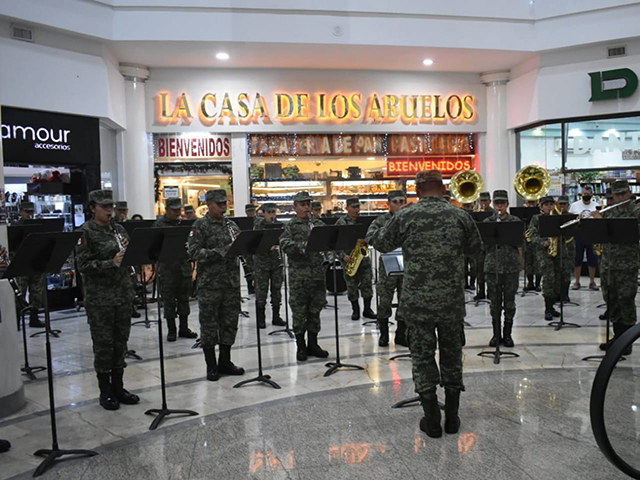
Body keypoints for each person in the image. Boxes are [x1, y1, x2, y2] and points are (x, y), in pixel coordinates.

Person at [371, 170, 482, 439]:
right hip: (451, 302)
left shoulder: (406, 215)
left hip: (417, 303)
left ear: (418, 190)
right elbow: (476, 249)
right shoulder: (460, 215)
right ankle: (452, 417)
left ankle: (432, 419)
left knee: (422, 357)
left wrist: (374, 229)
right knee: (452, 354)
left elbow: (383, 244)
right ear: (443, 188)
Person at [76, 190, 140, 411]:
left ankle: (119, 387)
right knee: (104, 345)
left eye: (111, 206)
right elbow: (83, 266)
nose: (109, 210)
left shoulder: (118, 229)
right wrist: (110, 262)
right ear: (93, 208)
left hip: (122, 295)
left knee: (120, 343)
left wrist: (129, 250)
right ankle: (105, 391)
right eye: (104, 207)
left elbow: (131, 255)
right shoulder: (86, 232)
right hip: (100, 299)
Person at [188, 189, 245, 381]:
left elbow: (241, 244)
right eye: (219, 204)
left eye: (225, 203)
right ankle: (211, 365)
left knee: (230, 323)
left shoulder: (231, 225)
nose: (223, 207)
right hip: (210, 284)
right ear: (208, 204)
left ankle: (225, 361)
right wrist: (221, 250)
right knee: (209, 325)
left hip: (230, 283)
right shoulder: (200, 225)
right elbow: (194, 252)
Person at [279, 191, 329, 362]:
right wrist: (303, 245)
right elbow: (285, 244)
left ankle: (313, 344)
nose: (307, 207)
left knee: (315, 310)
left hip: (317, 275)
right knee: (299, 312)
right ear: (295, 207)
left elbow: (329, 242)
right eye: (302, 204)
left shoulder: (318, 224)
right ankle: (301, 346)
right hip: (299, 277)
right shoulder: (290, 226)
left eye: (308, 204)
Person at [593, 180, 640, 355]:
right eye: (616, 195)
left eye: (622, 194)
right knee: (611, 300)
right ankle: (617, 336)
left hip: (627, 264)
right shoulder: (610, 212)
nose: (620, 198)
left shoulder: (636, 212)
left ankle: (626, 341)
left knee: (626, 300)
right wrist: (595, 222)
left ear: (629, 193)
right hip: (609, 264)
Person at [365, 190, 407, 347]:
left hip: (408, 265)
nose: (399, 204)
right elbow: (370, 236)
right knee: (385, 300)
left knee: (405, 300)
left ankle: (401, 334)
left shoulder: (411, 218)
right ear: (388, 204)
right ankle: (383, 334)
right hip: (388, 264)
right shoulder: (382, 219)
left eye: (402, 201)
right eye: (395, 202)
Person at [152, 198, 198, 342]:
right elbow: (153, 246)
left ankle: (184, 328)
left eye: (179, 210)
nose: (177, 213)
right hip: (167, 269)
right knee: (169, 300)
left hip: (183, 267)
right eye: (174, 210)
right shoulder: (159, 225)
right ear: (167, 209)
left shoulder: (184, 224)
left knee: (184, 299)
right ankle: (172, 330)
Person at [483, 190, 522, 347]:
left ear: (507, 204)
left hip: (511, 267)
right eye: (497, 203)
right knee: (495, 303)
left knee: (510, 303)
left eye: (502, 203)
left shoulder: (515, 221)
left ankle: (508, 335)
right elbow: (483, 244)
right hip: (493, 267)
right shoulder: (487, 222)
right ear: (493, 204)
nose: (499, 206)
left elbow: (520, 243)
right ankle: (496, 335)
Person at [336, 197, 376, 321]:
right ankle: (355, 310)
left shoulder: (364, 222)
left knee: (367, 284)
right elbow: (335, 242)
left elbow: (373, 235)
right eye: (353, 207)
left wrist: (367, 239)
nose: (356, 210)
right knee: (352, 287)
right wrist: (343, 256)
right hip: (349, 258)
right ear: (346, 208)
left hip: (363, 258)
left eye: (357, 207)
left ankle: (367, 309)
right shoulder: (341, 223)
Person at [12, 202, 45, 328]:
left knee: (37, 292)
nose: (29, 215)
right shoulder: (16, 226)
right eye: (27, 212)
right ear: (21, 212)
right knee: (20, 291)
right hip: (21, 263)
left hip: (36, 262)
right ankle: (17, 320)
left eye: (31, 212)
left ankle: (34, 317)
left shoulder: (38, 225)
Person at [253, 203, 286, 328]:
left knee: (276, 289)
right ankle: (261, 318)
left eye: (273, 212)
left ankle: (276, 316)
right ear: (264, 212)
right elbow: (254, 242)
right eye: (269, 212)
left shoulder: (279, 225)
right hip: (262, 262)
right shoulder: (258, 225)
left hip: (276, 261)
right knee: (262, 290)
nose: (272, 215)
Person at [529, 196, 562, 321]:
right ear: (541, 206)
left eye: (551, 204)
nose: (549, 207)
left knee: (557, 278)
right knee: (548, 279)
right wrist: (543, 242)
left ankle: (553, 306)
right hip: (543, 252)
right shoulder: (536, 218)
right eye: (546, 204)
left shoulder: (557, 217)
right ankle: (548, 308)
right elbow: (532, 235)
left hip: (558, 252)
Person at [569, 185, 599, 291]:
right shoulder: (574, 205)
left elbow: (600, 220)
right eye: (584, 194)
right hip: (578, 234)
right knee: (577, 258)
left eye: (588, 194)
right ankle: (577, 282)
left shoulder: (596, 205)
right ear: (581, 194)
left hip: (592, 235)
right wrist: (577, 218)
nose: (586, 196)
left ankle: (592, 282)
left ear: (592, 195)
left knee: (592, 259)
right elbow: (570, 221)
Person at [557, 195, 576, 303]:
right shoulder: (553, 216)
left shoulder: (571, 217)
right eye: (560, 204)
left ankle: (565, 294)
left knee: (567, 271)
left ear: (568, 205)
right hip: (557, 246)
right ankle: (556, 294)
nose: (562, 206)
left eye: (564, 204)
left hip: (569, 247)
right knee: (556, 272)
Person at [598, 189, 614, 321]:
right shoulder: (607, 211)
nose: (609, 202)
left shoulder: (633, 212)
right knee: (606, 286)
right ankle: (610, 309)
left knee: (623, 294)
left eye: (611, 199)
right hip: (607, 257)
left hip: (624, 260)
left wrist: (600, 221)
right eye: (608, 199)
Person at [523, 199, 542, 292]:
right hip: (528, 241)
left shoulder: (540, 214)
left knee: (538, 262)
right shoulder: (523, 213)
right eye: (529, 202)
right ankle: (530, 283)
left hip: (538, 241)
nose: (531, 204)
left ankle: (538, 284)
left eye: (533, 202)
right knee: (528, 262)